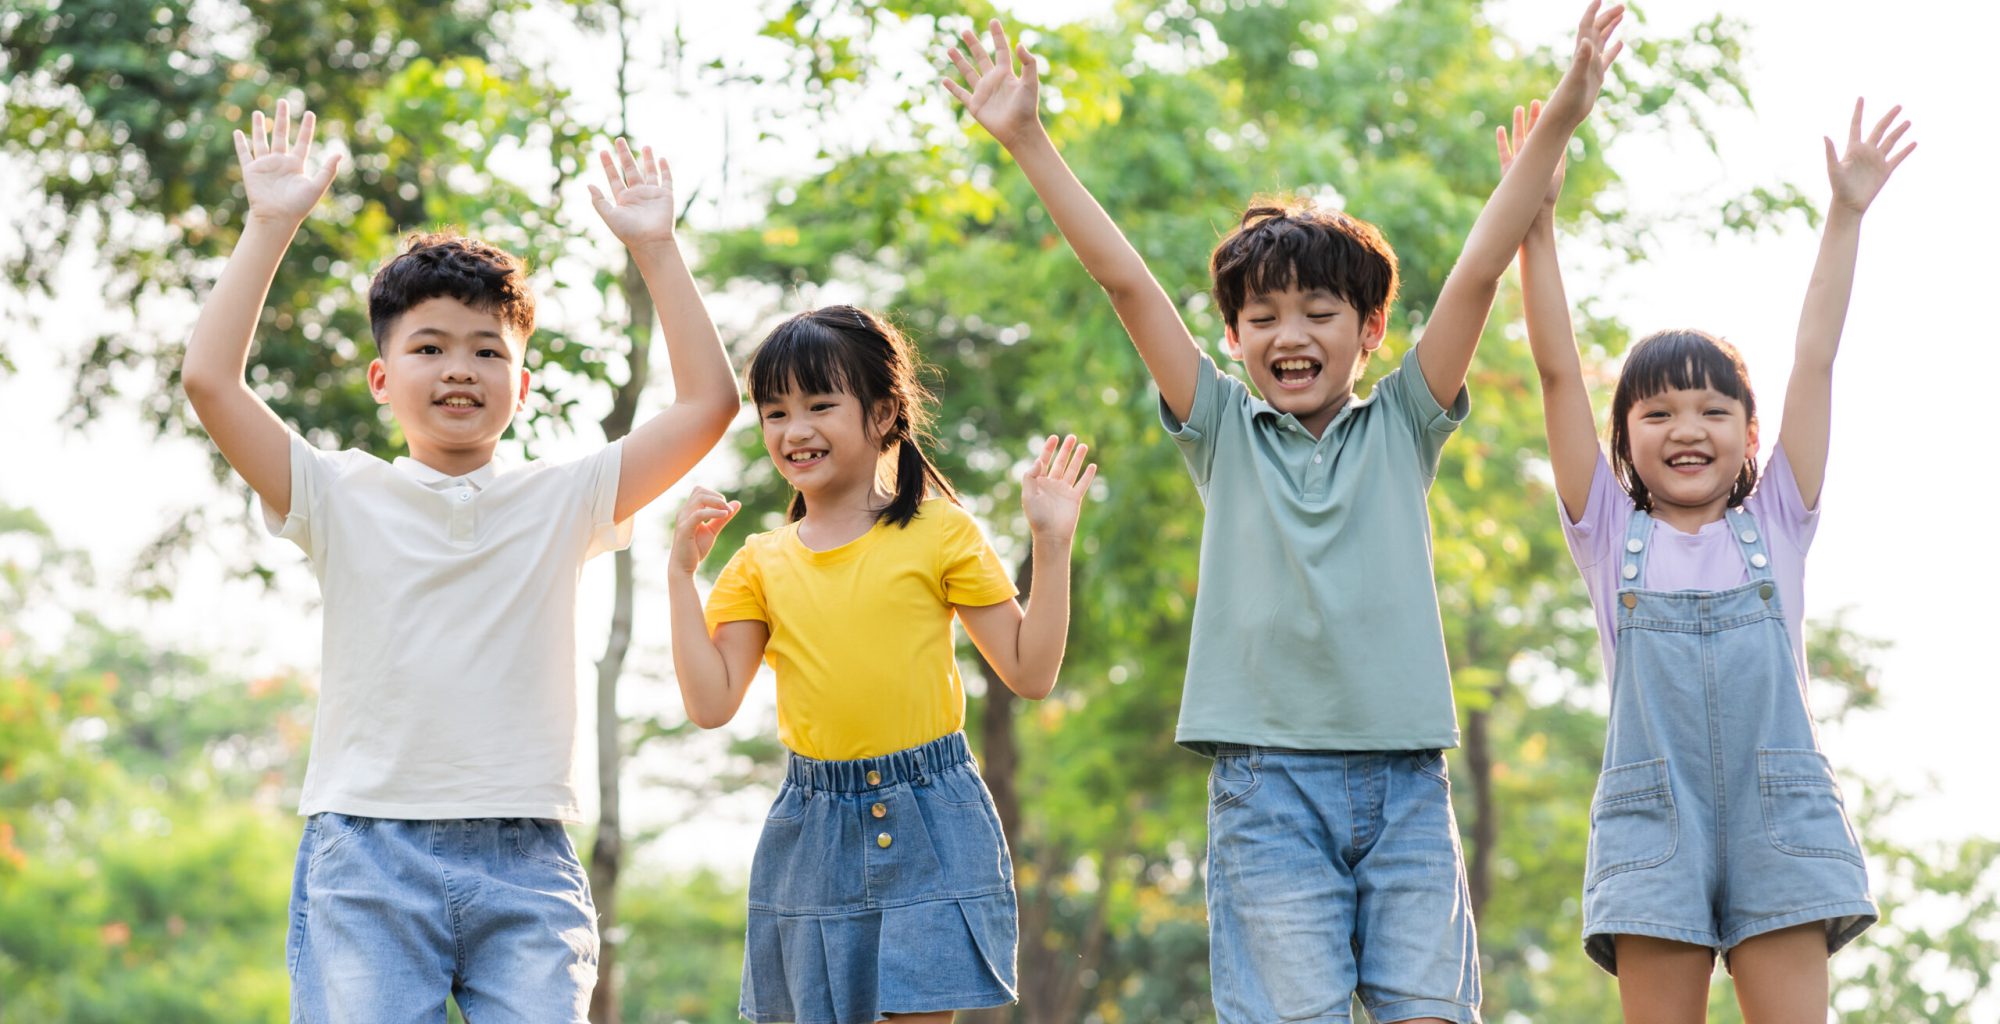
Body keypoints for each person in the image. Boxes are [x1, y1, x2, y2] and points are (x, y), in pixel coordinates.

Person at [942, 5, 1622, 1021]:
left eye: (1316, 313)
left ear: (1370, 328)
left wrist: (1561, 119)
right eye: (1260, 317)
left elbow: (1480, 268)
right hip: (1265, 794)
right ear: (1231, 332)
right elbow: (1124, 283)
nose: (1288, 334)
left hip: (1401, 790)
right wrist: (1029, 139)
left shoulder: (1402, 421)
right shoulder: (1219, 426)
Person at [179, 101, 741, 1020]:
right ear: (381, 376)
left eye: (488, 350)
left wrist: (657, 249)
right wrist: (269, 223)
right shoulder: (333, 491)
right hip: (368, 853)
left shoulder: (565, 498)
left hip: (526, 857)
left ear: (521, 384)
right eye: (428, 347)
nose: (459, 369)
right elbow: (210, 380)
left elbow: (708, 403)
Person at [1502, 96, 1910, 1020]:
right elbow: (1557, 370)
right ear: (1623, 441)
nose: (1687, 429)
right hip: (1654, 825)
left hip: (1781, 822)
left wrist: (1844, 214)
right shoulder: (1608, 534)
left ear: (1749, 432)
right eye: (1657, 413)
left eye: (1712, 410)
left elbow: (1816, 357)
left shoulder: (1780, 520)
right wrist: (1538, 224)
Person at [667, 306, 1097, 1024]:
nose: (794, 430)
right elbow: (711, 704)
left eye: (819, 404)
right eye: (775, 412)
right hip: (814, 828)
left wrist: (1051, 545)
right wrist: (681, 576)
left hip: (931, 810)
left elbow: (1029, 671)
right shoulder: (759, 564)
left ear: (882, 414)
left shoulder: (940, 531)